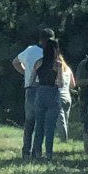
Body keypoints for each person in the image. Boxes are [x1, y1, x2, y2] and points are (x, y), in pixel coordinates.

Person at [13, 28, 54, 160]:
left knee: (29, 121)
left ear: (40, 39)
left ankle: (26, 151)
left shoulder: (30, 50)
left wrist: (26, 73)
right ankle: (37, 152)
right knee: (40, 122)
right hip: (44, 87)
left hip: (30, 87)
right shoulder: (52, 53)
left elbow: (15, 62)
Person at [30, 37, 64, 162]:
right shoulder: (57, 64)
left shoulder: (38, 63)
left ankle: (37, 151)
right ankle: (48, 153)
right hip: (53, 95)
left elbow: (31, 81)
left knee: (39, 125)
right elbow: (60, 83)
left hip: (41, 94)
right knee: (49, 127)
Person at [56, 54, 76, 142]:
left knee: (60, 120)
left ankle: (64, 139)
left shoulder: (57, 70)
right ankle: (65, 137)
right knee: (66, 119)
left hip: (59, 95)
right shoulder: (68, 69)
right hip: (67, 96)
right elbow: (73, 84)